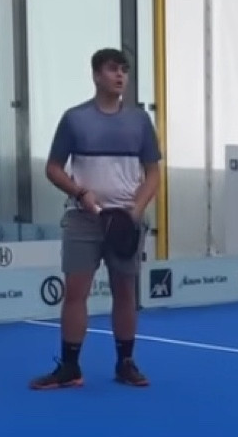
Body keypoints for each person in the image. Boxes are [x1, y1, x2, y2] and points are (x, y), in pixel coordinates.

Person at [30, 47, 162, 391]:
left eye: (124, 70)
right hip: (82, 219)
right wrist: (80, 194)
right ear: (96, 76)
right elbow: (53, 168)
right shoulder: (74, 119)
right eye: (112, 69)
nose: (120, 76)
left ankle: (126, 363)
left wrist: (136, 210)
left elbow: (153, 173)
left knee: (125, 292)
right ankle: (70, 367)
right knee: (76, 292)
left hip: (126, 221)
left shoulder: (140, 121)